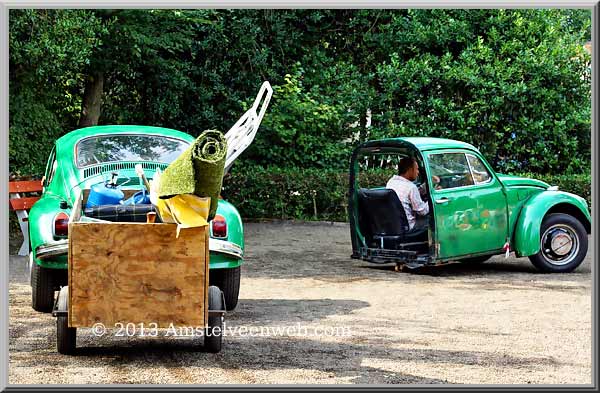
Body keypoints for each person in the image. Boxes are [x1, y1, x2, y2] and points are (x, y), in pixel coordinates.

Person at [386, 157, 434, 231]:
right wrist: (432, 200)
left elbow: (410, 194)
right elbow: (422, 211)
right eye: (417, 169)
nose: (418, 172)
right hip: (409, 226)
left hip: (395, 224)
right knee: (435, 221)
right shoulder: (411, 187)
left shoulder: (391, 182)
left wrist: (428, 184)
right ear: (410, 170)